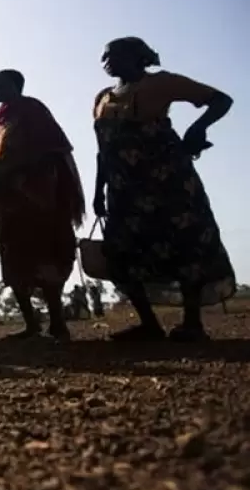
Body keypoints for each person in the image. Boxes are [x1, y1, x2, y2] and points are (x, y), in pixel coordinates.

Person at [93, 37, 234, 341]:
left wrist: (198, 127)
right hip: (123, 192)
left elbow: (222, 100)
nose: (106, 61)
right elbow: (102, 150)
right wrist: (98, 190)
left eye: (113, 54)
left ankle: (193, 324)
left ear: (136, 56)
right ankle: (149, 324)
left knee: (186, 244)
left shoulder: (162, 83)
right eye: (103, 57)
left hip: (168, 182)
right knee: (121, 253)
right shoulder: (102, 98)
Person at [0, 69, 85, 340]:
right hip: (12, 199)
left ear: (17, 85)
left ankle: (57, 323)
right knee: (13, 253)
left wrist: (17, 171)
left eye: (1, 83)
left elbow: (51, 150)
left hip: (39, 196)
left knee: (45, 254)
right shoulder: (1, 120)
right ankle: (31, 325)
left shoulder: (32, 110)